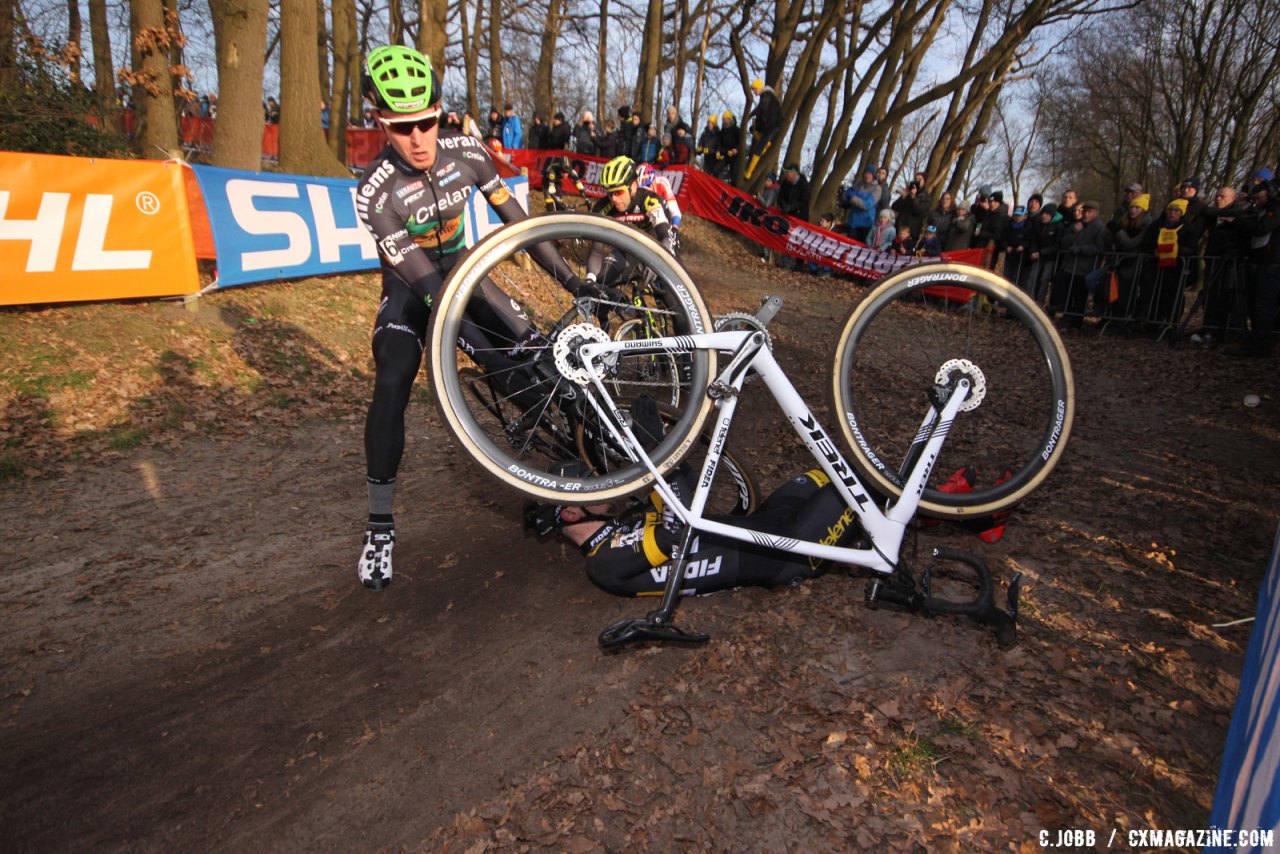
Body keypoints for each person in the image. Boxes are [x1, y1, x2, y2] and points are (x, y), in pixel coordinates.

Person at [354, 45, 586, 591]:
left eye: (427, 123)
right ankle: (379, 528)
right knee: (391, 381)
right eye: (402, 128)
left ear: (441, 113)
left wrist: (575, 283)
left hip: (468, 272)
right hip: (415, 289)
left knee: (533, 367)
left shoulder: (469, 153)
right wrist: (477, 346)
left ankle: (572, 478)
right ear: (380, 124)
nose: (418, 140)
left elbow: (524, 230)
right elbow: (432, 291)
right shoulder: (374, 192)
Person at [531, 460, 861, 597]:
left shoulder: (624, 523)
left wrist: (659, 447)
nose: (601, 486)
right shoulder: (603, 564)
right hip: (788, 552)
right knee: (860, 483)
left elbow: (685, 481)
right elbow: (678, 531)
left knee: (833, 468)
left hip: (766, 524)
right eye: (590, 487)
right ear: (572, 514)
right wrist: (657, 460)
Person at [586, 156, 678, 286]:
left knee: (671, 294)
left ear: (633, 186)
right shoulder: (602, 208)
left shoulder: (649, 200)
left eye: (618, 192)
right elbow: (596, 251)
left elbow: (667, 238)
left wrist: (658, 261)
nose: (614, 199)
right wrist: (590, 280)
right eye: (609, 193)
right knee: (601, 283)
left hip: (656, 246)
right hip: (627, 250)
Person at [744, 78, 782, 181]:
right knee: (753, 129)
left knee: (759, 148)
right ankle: (767, 143)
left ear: (759, 87)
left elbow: (762, 108)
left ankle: (749, 172)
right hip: (771, 125)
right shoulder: (770, 96)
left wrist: (751, 114)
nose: (754, 92)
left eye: (755, 89)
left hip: (771, 126)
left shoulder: (766, 96)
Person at [841, 165, 879, 242]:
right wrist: (844, 195)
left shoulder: (877, 188)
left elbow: (867, 205)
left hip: (866, 224)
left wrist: (853, 197)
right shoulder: (857, 184)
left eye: (870, 174)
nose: (867, 175)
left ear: (873, 176)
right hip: (853, 223)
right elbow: (846, 199)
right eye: (866, 173)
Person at [713, 111, 740, 182]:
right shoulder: (722, 132)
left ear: (731, 120)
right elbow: (719, 143)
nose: (726, 121)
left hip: (734, 156)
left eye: (727, 119)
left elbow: (741, 143)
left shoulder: (736, 129)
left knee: (734, 175)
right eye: (724, 119)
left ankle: (734, 190)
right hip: (725, 154)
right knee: (715, 170)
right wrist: (718, 151)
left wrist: (737, 149)